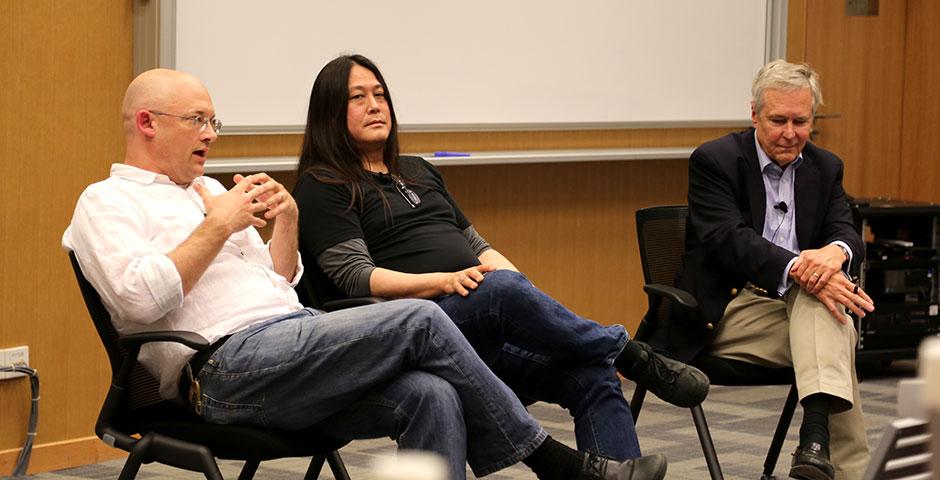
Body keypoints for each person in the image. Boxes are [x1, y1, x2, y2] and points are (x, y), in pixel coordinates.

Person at [61, 68, 669, 480]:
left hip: (290, 346)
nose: (212, 135)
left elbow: (276, 289)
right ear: (148, 123)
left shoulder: (210, 191)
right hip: (220, 370)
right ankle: (555, 463)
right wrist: (216, 225)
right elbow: (139, 302)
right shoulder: (105, 203)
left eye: (214, 120)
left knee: (431, 392)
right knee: (421, 318)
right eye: (198, 121)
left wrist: (289, 222)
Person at [291, 54, 709, 463]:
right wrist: (444, 282)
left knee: (591, 373)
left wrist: (518, 287)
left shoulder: (418, 169)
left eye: (380, 94)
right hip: (415, 330)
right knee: (501, 290)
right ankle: (629, 353)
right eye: (358, 97)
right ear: (330, 113)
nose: (375, 105)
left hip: (480, 322)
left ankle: (614, 364)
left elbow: (476, 244)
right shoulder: (323, 184)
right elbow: (356, 277)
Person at [651, 60, 874, 480]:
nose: (790, 133)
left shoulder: (826, 167)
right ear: (754, 115)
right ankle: (826, 450)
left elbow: (845, 228)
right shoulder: (714, 161)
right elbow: (729, 239)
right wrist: (801, 267)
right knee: (832, 316)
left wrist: (837, 253)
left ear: (813, 118)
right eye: (778, 120)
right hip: (727, 312)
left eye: (800, 121)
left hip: (796, 314)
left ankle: (815, 447)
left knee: (825, 311)